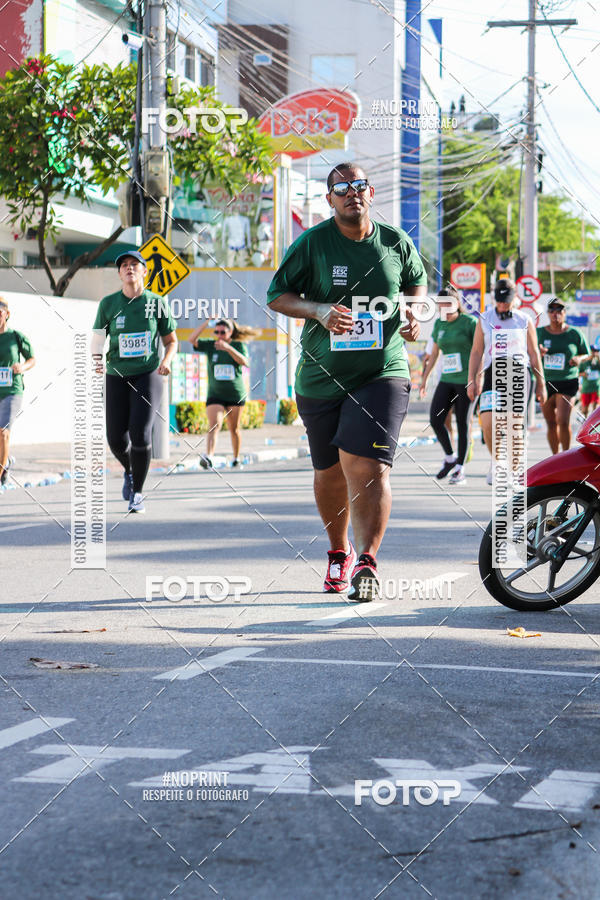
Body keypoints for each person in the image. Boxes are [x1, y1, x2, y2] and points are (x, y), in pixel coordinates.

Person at [267, 162, 426, 601]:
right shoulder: (312, 244)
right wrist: (319, 311)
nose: (351, 193)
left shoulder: (396, 241)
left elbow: (416, 283)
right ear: (330, 199)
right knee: (330, 473)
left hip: (383, 371)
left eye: (358, 186)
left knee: (369, 467)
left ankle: (368, 563)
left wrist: (414, 312)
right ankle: (339, 552)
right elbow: (277, 295)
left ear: (370, 192)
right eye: (342, 188)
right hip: (321, 377)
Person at [93, 250, 177, 513]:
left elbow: (171, 340)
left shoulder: (157, 302)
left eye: (134, 265)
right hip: (116, 374)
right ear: (119, 274)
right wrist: (96, 358)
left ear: (144, 271)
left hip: (148, 373)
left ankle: (138, 493)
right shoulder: (108, 304)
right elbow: (97, 338)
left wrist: (167, 361)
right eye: (124, 266)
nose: (129, 268)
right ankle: (129, 471)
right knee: (115, 438)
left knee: (140, 432)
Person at [467, 279, 547, 484]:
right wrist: (472, 380)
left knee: (514, 424)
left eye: (507, 301)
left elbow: (534, 352)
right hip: (493, 372)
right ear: (494, 297)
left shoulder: (524, 319)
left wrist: (542, 383)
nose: (503, 305)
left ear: (515, 298)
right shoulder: (484, 319)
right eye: (500, 300)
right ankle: (497, 462)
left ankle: (513, 472)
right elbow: (476, 351)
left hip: (518, 371)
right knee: (487, 420)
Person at [420, 285, 477, 485]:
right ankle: (450, 457)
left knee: (462, 423)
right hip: (447, 379)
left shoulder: (470, 323)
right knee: (436, 419)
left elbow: (481, 353)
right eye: (440, 304)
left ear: (457, 304)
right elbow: (434, 353)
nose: (443, 307)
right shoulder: (439, 324)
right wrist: (425, 378)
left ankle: (461, 469)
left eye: (447, 303)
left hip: (466, 381)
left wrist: (475, 379)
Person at [188, 318, 260, 468]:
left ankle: (235, 457)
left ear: (230, 332)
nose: (219, 335)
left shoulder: (238, 345)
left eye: (222, 332)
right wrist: (206, 322)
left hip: (235, 394)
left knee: (234, 428)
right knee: (214, 425)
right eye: (217, 332)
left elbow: (245, 362)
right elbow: (192, 339)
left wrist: (227, 348)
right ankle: (209, 457)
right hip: (215, 394)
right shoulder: (211, 345)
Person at [537, 298, 590, 453]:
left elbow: (586, 353)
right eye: (552, 311)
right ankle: (555, 456)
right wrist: (539, 352)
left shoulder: (574, 333)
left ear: (565, 313)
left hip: (567, 380)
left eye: (559, 310)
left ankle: (565, 455)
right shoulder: (540, 332)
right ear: (547, 314)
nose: (555, 314)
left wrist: (578, 358)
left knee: (563, 420)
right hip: (545, 381)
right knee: (551, 422)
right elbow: (531, 352)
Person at [0, 298, 36, 487]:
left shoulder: (15, 336)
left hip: (12, 390)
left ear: (6, 314)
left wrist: (22, 367)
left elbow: (32, 359)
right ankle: (6, 463)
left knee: (4, 432)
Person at [578, 340, 600, 417]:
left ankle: (593, 426)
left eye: (596, 351)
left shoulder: (597, 361)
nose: (594, 353)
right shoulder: (584, 362)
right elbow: (577, 373)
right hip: (586, 388)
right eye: (593, 351)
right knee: (585, 410)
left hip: (596, 388)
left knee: (595, 408)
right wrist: (583, 374)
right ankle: (586, 423)